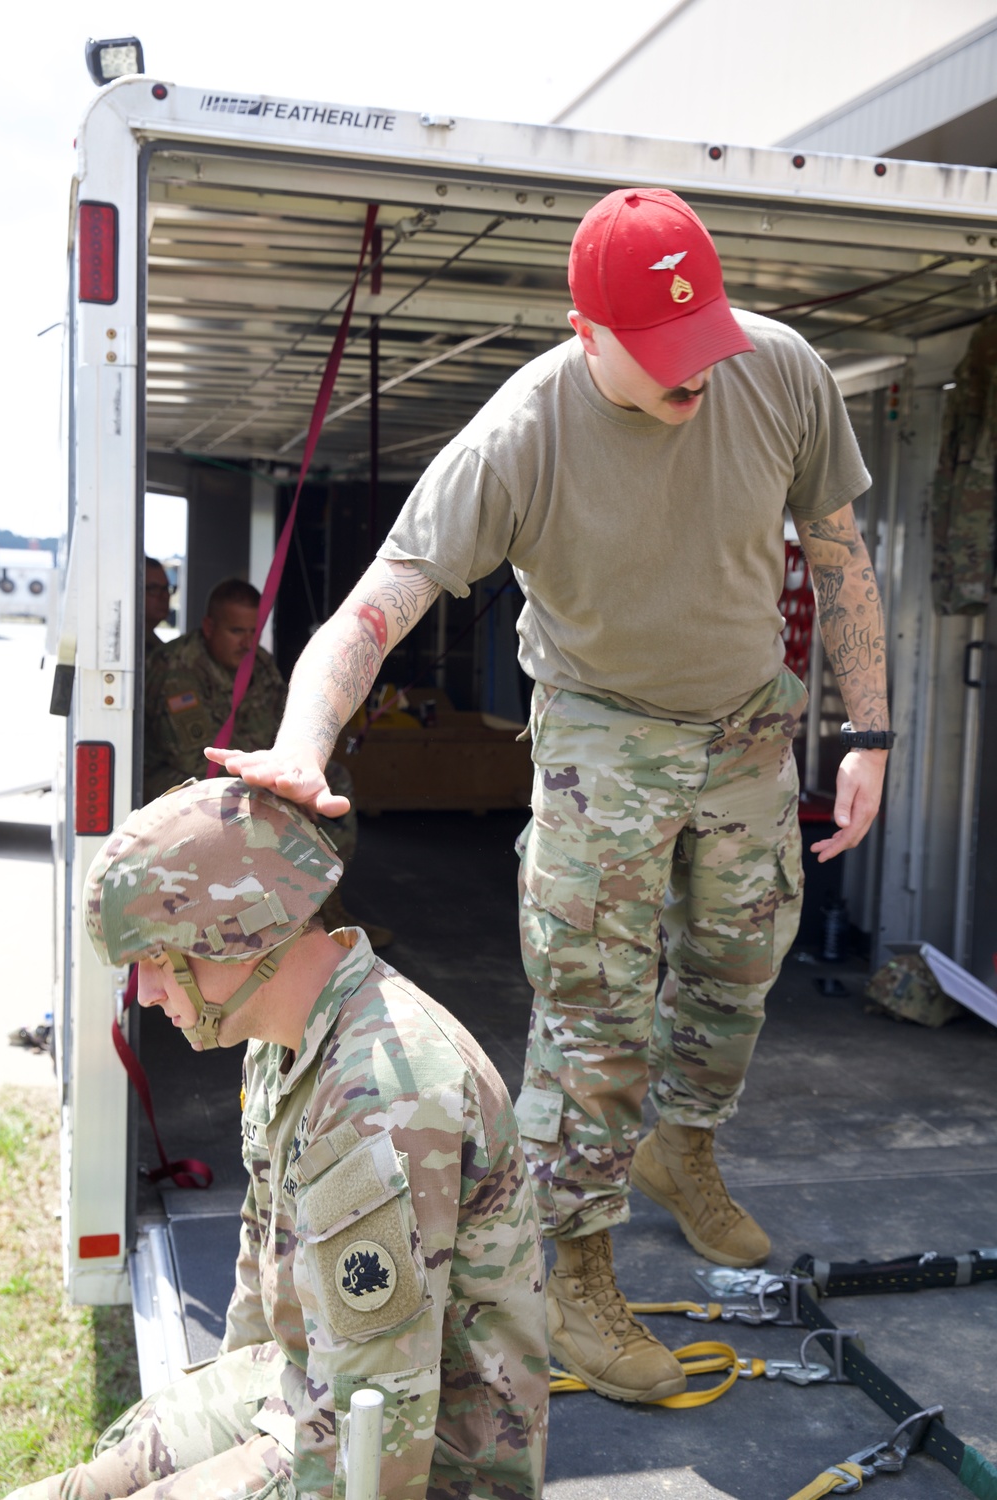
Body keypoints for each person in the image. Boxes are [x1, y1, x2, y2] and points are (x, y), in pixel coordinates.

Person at [207, 187, 891, 1404]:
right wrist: (305, 740)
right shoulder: (519, 436)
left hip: (746, 730)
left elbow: (836, 551)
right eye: (665, 356)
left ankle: (685, 1149)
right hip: (602, 736)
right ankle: (572, 1264)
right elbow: (382, 599)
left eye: (707, 339)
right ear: (589, 336)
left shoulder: (775, 369)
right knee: (592, 1020)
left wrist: (868, 727)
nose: (698, 376)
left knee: (740, 971)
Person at [10, 777, 548, 1500]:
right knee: (90, 1478)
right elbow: (263, 1263)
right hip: (303, 1389)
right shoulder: (281, 1037)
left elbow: (373, 1442)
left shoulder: (384, 1096)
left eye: (159, 958)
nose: (143, 993)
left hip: (427, 1464)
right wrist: (215, 1423)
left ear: (241, 932)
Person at [145, 576, 390, 946]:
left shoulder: (258, 664)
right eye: (235, 631)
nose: (247, 641)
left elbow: (285, 728)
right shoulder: (176, 669)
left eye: (253, 630)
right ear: (209, 627)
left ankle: (320, 897)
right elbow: (199, 759)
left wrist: (293, 773)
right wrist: (272, 786)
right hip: (185, 780)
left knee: (333, 779)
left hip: (251, 772)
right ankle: (268, 916)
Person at [143, 556, 172, 661]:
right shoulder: (127, 647)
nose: (165, 596)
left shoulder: (157, 648)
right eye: (153, 588)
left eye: (166, 588)